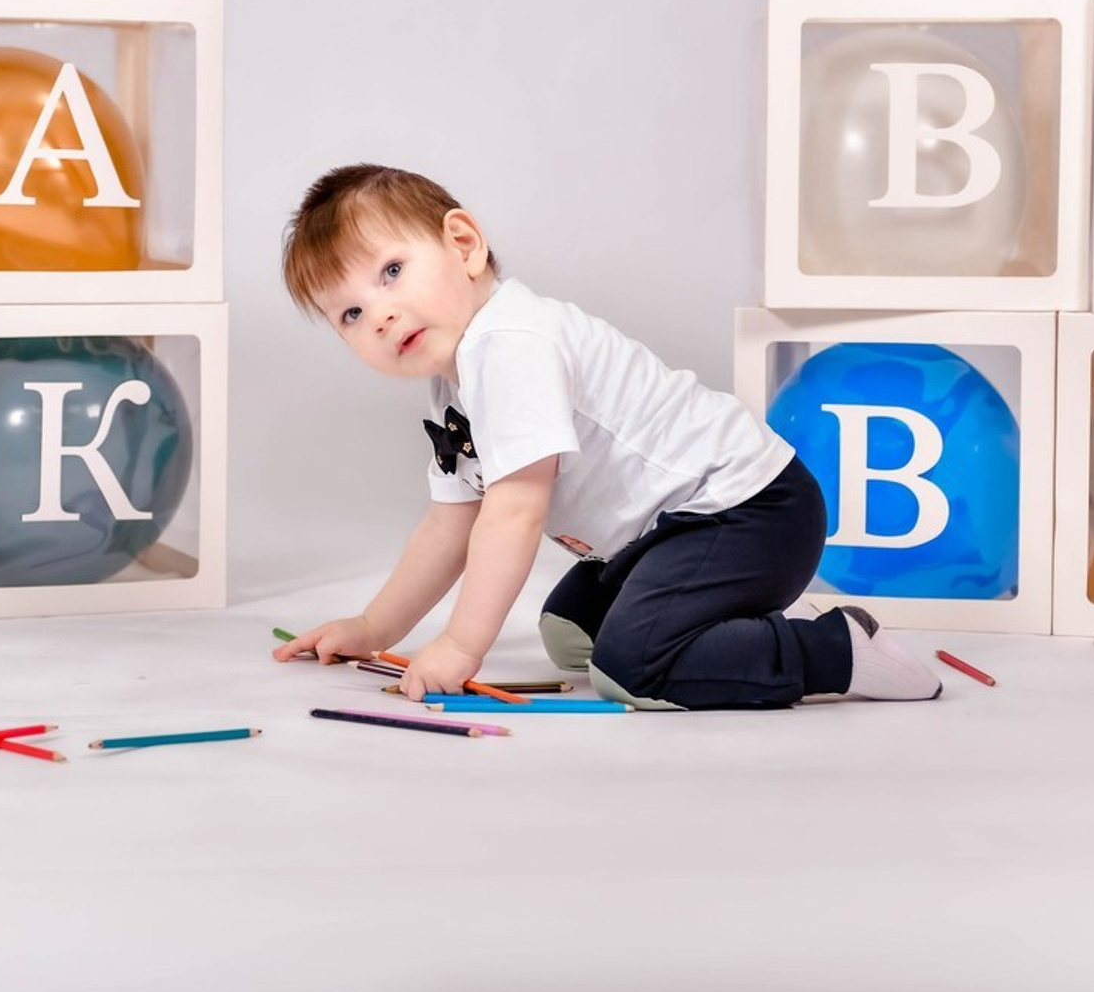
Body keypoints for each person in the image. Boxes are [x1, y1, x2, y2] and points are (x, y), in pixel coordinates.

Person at [272, 164, 942, 709]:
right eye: (351, 313)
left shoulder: (510, 344)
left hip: (750, 512)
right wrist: (374, 629)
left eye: (391, 272)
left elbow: (514, 512)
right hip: (670, 530)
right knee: (572, 630)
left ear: (464, 245)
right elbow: (451, 524)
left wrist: (459, 647)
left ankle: (836, 650)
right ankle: (688, 625)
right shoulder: (457, 380)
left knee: (632, 665)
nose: (381, 314)